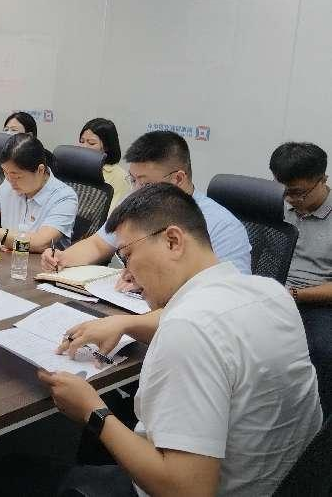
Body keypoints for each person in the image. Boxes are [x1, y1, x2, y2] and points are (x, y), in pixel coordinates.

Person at [41, 184, 321, 496]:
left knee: (23, 471)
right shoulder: (271, 292)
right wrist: (126, 325)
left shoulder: (188, 329)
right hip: (276, 480)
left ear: (173, 241)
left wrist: (91, 411)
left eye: (128, 255)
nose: (127, 273)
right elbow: (213, 331)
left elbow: (188, 490)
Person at [42, 130, 251, 280]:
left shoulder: (223, 226)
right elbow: (98, 244)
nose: (136, 191)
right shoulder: (135, 203)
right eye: (133, 180)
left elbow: (228, 294)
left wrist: (151, 282)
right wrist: (62, 258)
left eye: (146, 184)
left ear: (178, 179)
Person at [269, 141, 332, 414]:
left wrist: (295, 294)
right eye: (283, 191)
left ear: (323, 180)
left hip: (314, 301)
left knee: (323, 350)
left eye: (298, 193)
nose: (290, 199)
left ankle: (318, 421)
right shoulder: (274, 205)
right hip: (269, 292)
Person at [0, 134, 77, 253]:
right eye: (5, 172)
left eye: (17, 176)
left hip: (37, 263)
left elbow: (41, 243)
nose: (9, 180)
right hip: (5, 258)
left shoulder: (64, 197)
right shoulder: (10, 182)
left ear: (40, 170)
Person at [79, 118, 130, 215]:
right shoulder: (74, 168)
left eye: (91, 143)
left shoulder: (120, 177)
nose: (84, 147)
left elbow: (113, 215)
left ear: (107, 147)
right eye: (82, 141)